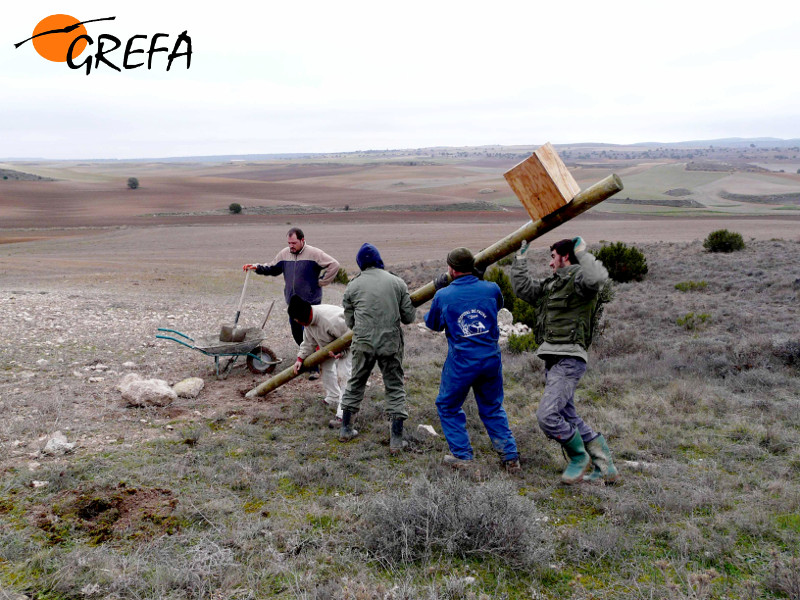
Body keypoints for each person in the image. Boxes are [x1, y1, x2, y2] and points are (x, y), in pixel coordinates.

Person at [511, 236, 619, 485]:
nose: (550, 264)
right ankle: (606, 467)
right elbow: (523, 289)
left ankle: (578, 458)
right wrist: (520, 259)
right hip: (554, 360)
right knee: (569, 417)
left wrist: (583, 252)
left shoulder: (580, 280)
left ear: (565, 257)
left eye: (553, 257)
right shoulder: (552, 284)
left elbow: (597, 277)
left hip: (569, 359)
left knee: (547, 416)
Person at [425, 248, 520, 473]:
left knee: (447, 406)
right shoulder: (492, 288)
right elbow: (495, 306)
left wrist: (441, 291)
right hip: (490, 358)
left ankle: (463, 456)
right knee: (492, 407)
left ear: (450, 268)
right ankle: (510, 456)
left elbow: (433, 325)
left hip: (462, 362)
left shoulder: (444, 295)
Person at [338, 243, 416, 453]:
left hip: (363, 342)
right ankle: (396, 441)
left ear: (360, 263)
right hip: (390, 343)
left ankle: (346, 429)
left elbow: (350, 321)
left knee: (356, 381)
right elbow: (409, 317)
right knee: (394, 386)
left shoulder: (352, 286)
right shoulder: (397, 283)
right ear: (379, 260)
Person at [243, 227, 339, 379]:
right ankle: (312, 360)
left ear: (302, 240)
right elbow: (273, 268)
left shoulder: (314, 253)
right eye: (289, 243)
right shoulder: (284, 253)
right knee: (297, 334)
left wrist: (322, 281)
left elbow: (334, 264)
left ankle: (314, 367)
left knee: (312, 336)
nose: (291, 246)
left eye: (294, 243)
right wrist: (256, 267)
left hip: (310, 303)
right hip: (293, 304)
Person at [288, 295, 352, 428]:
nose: (297, 322)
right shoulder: (307, 319)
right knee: (326, 367)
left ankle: (343, 414)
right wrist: (300, 358)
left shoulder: (333, 320)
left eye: (298, 320)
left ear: (303, 318)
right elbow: (308, 342)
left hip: (350, 344)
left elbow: (352, 338)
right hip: (330, 345)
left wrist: (341, 352)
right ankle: (333, 397)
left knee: (344, 374)